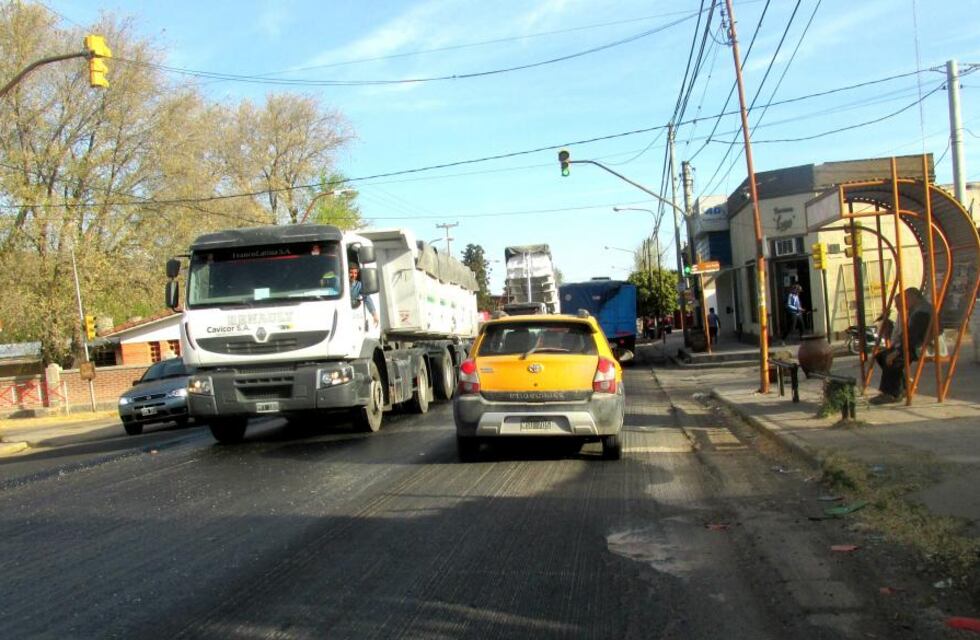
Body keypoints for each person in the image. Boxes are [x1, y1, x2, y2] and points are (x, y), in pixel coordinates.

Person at [872, 287, 934, 403]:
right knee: (882, 356)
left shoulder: (922, 312)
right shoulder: (916, 310)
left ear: (913, 298)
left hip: (925, 347)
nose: (905, 302)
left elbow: (912, 339)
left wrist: (896, 352)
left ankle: (892, 393)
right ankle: (903, 386)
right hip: (916, 344)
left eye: (906, 299)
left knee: (895, 359)